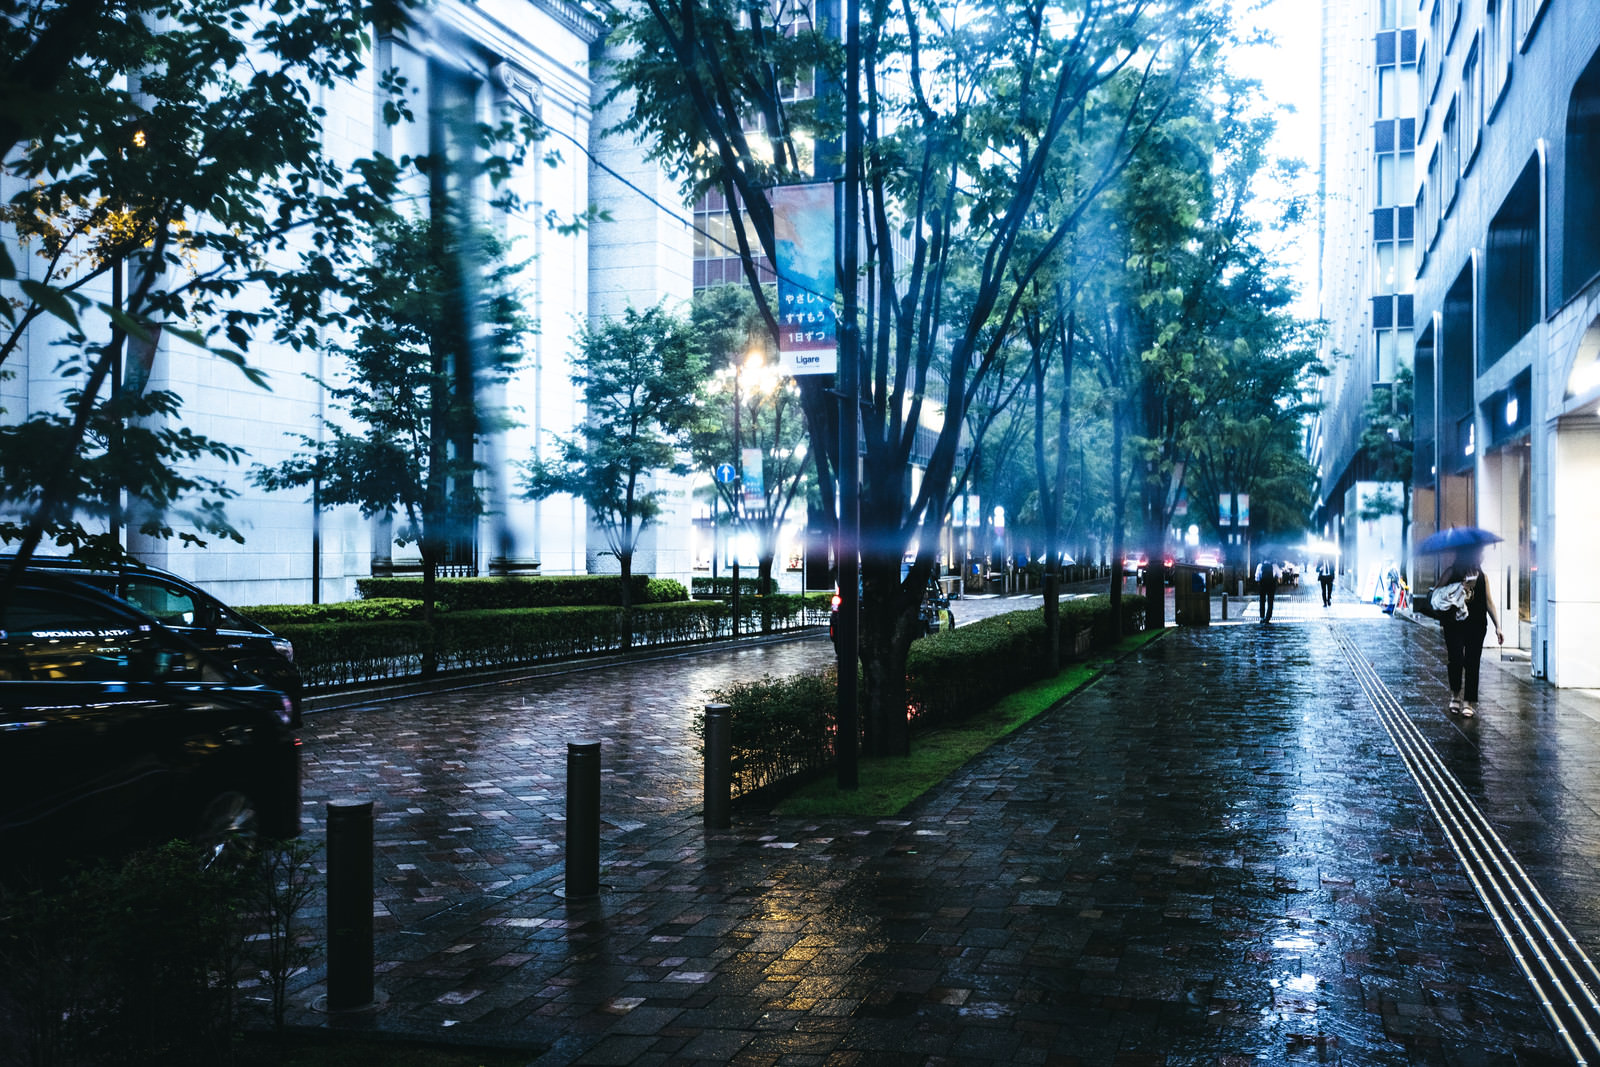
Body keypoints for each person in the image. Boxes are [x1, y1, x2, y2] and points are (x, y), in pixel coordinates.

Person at [1437, 546, 1504, 717]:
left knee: (1473, 662)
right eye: (1479, 552)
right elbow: (1436, 594)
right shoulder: (1451, 573)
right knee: (1456, 659)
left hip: (1477, 625)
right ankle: (1455, 696)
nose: (1482, 555)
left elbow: (1489, 603)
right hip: (1454, 624)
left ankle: (1468, 702)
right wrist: (1460, 587)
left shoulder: (1482, 576)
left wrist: (1498, 626)